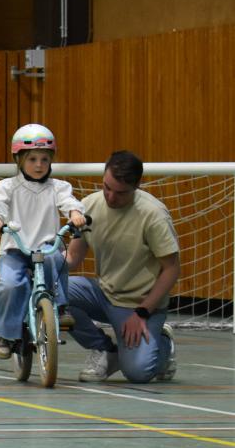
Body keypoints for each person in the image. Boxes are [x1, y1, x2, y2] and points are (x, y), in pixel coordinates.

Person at [64, 151, 180, 384]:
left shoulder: (153, 215)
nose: (110, 197)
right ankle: (105, 349)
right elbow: (73, 256)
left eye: (120, 193)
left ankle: (162, 344)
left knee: (138, 372)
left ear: (136, 186)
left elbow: (172, 269)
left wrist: (142, 312)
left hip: (140, 305)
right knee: (54, 290)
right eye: (107, 187)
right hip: (104, 294)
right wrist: (45, 263)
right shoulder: (88, 205)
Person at [0, 124, 86, 359]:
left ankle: (60, 308)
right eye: (32, 159)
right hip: (15, 249)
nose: (39, 165)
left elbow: (70, 202)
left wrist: (75, 214)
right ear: (18, 160)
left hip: (46, 247)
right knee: (10, 285)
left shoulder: (58, 187)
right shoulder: (7, 187)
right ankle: (3, 334)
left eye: (44, 159)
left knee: (56, 260)